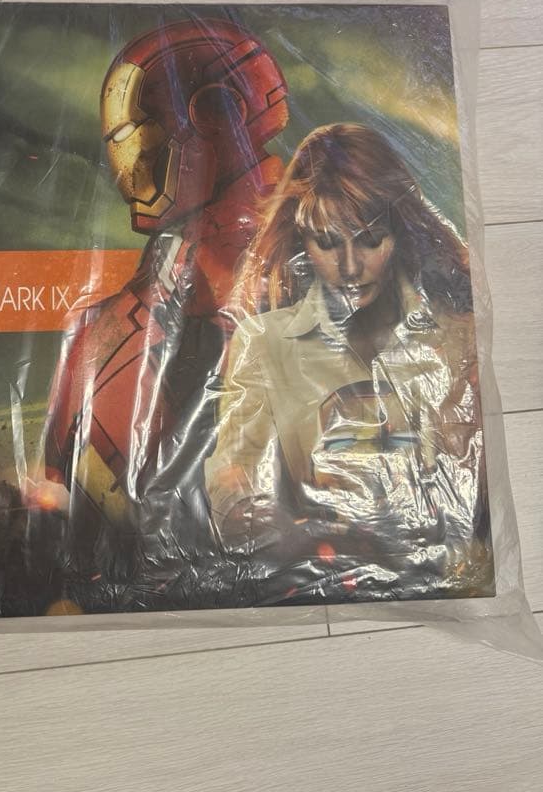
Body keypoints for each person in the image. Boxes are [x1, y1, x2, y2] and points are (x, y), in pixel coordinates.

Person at [40, 17, 290, 600]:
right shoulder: (96, 334)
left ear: (218, 115)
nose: (130, 163)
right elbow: (64, 496)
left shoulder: (331, 274)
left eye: (143, 135)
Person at [206, 122, 493, 602]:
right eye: (327, 242)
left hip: (455, 586)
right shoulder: (263, 343)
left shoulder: (458, 336)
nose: (350, 266)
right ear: (302, 241)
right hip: (324, 585)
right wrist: (263, 519)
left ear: (399, 233)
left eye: (370, 239)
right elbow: (231, 481)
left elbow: (476, 488)